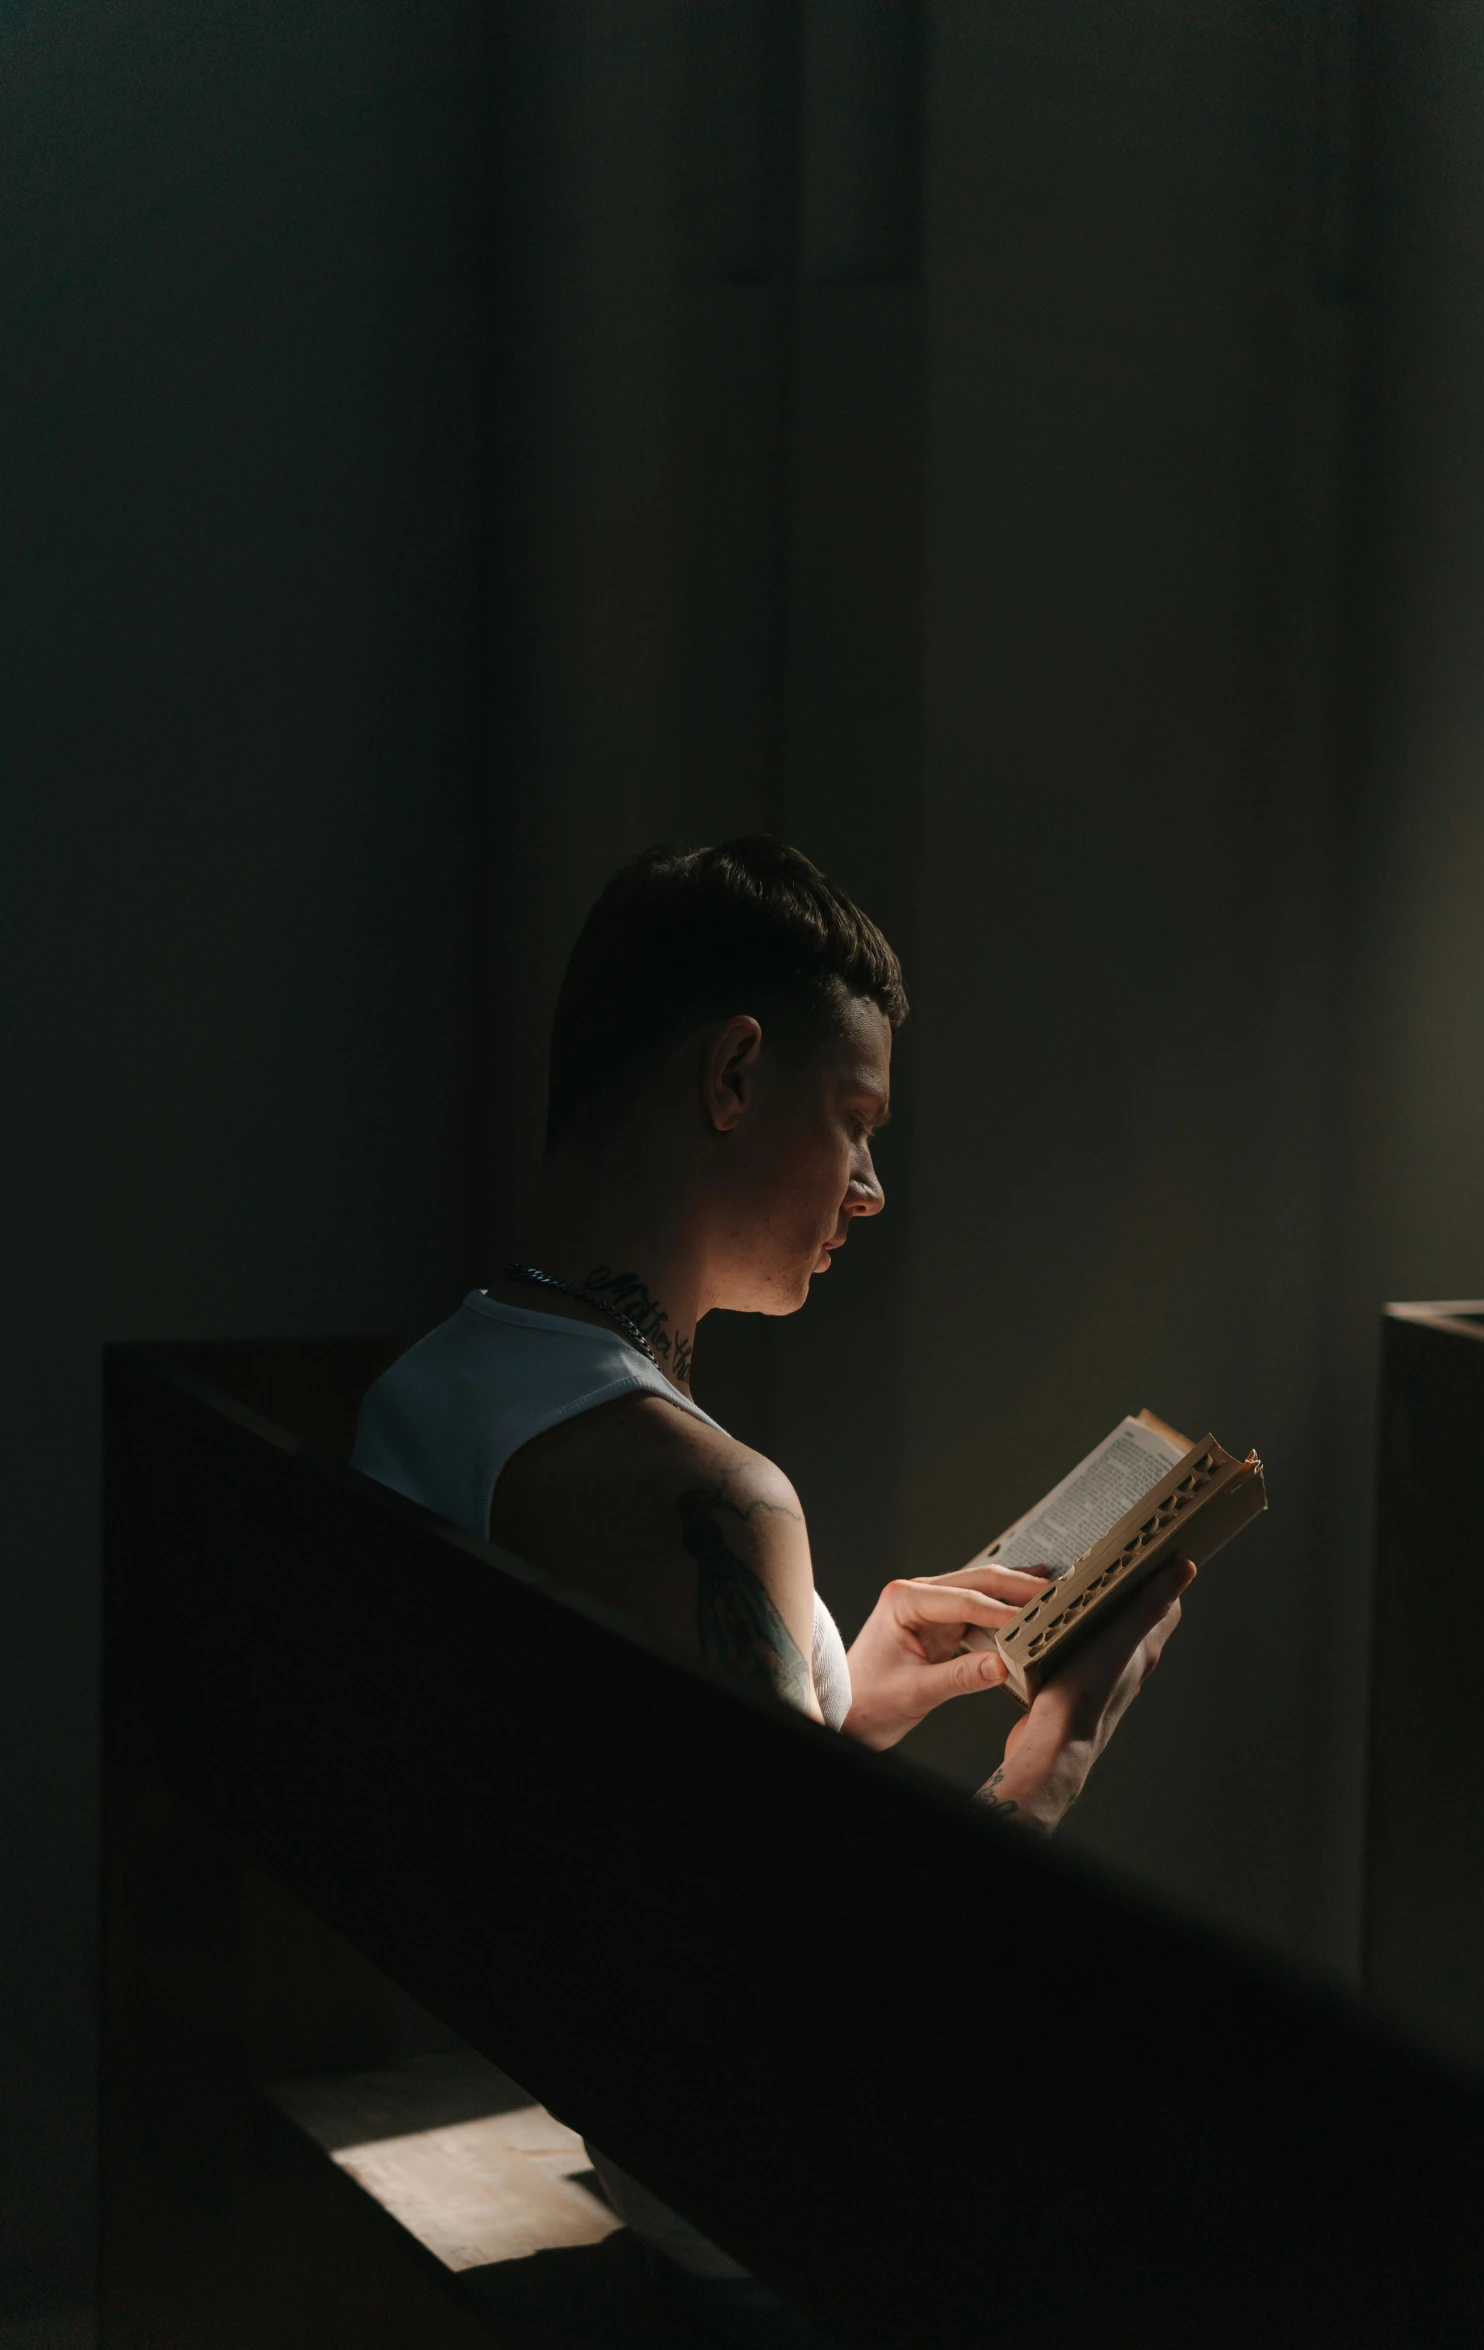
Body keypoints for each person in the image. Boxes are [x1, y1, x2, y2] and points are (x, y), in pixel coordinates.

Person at [352, 838, 1193, 2349]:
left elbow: (620, 1807)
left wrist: (834, 1693)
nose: (870, 1188)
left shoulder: (436, 1382)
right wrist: (1044, 1766)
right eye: (854, 1121)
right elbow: (808, 2057)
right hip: (750, 2248)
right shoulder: (713, 1499)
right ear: (733, 1076)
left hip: (583, 2079)